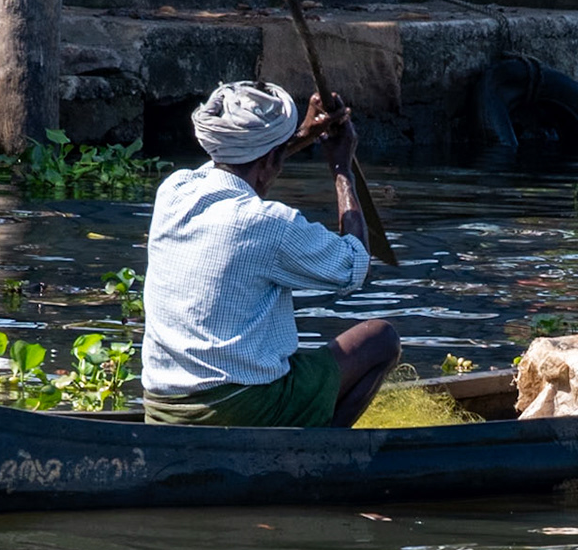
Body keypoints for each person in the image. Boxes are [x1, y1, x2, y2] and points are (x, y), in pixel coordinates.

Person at [141, 81, 400, 428]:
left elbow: (241, 162)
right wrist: (342, 170)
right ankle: (321, 458)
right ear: (270, 160)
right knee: (380, 339)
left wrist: (305, 134)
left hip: (161, 407)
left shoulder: (173, 190)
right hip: (238, 407)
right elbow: (353, 265)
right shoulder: (268, 223)